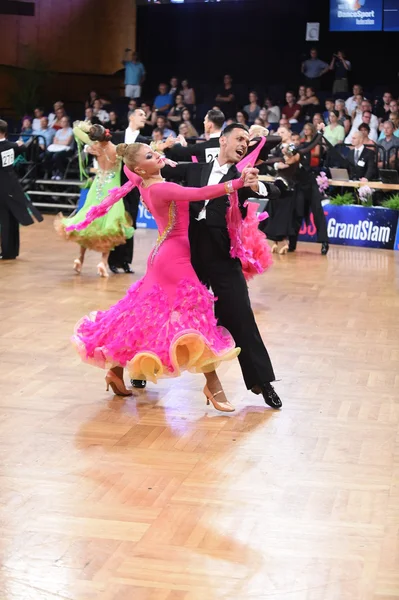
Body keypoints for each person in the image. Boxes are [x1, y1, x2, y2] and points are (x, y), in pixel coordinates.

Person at [64, 141, 262, 412]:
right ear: (141, 169)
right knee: (196, 319)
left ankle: (115, 370)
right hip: (175, 261)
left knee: (139, 317)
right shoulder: (162, 188)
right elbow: (202, 192)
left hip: (162, 256)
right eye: (150, 156)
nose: (157, 156)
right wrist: (237, 184)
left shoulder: (143, 181)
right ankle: (213, 385)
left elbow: (130, 170)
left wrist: (140, 153)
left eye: (154, 152)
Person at [163, 124, 283, 409]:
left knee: (241, 314)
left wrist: (257, 185)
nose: (243, 144)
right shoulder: (193, 171)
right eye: (239, 139)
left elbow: (278, 190)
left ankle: (261, 381)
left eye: (246, 141)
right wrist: (156, 150)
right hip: (186, 257)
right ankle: (140, 368)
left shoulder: (241, 177)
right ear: (223, 141)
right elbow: (158, 173)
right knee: (165, 311)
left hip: (222, 256)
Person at [55, 123, 134, 277]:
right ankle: (103, 262)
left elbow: (76, 129)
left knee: (88, 222)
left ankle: (80, 258)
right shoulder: (117, 149)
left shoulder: (95, 146)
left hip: (97, 187)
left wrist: (89, 129)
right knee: (109, 225)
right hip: (111, 189)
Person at [109, 108, 150, 273]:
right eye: (141, 114)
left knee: (131, 223)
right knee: (116, 224)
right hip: (116, 187)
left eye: (145, 116)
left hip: (133, 188)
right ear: (131, 117)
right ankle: (112, 260)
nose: (144, 117)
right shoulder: (117, 136)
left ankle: (125, 261)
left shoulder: (144, 141)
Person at [0, 119, 43, 259]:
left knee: (5, 219)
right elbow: (23, 148)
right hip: (12, 184)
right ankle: (12, 251)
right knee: (12, 217)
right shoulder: (13, 146)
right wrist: (20, 144)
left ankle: (6, 252)